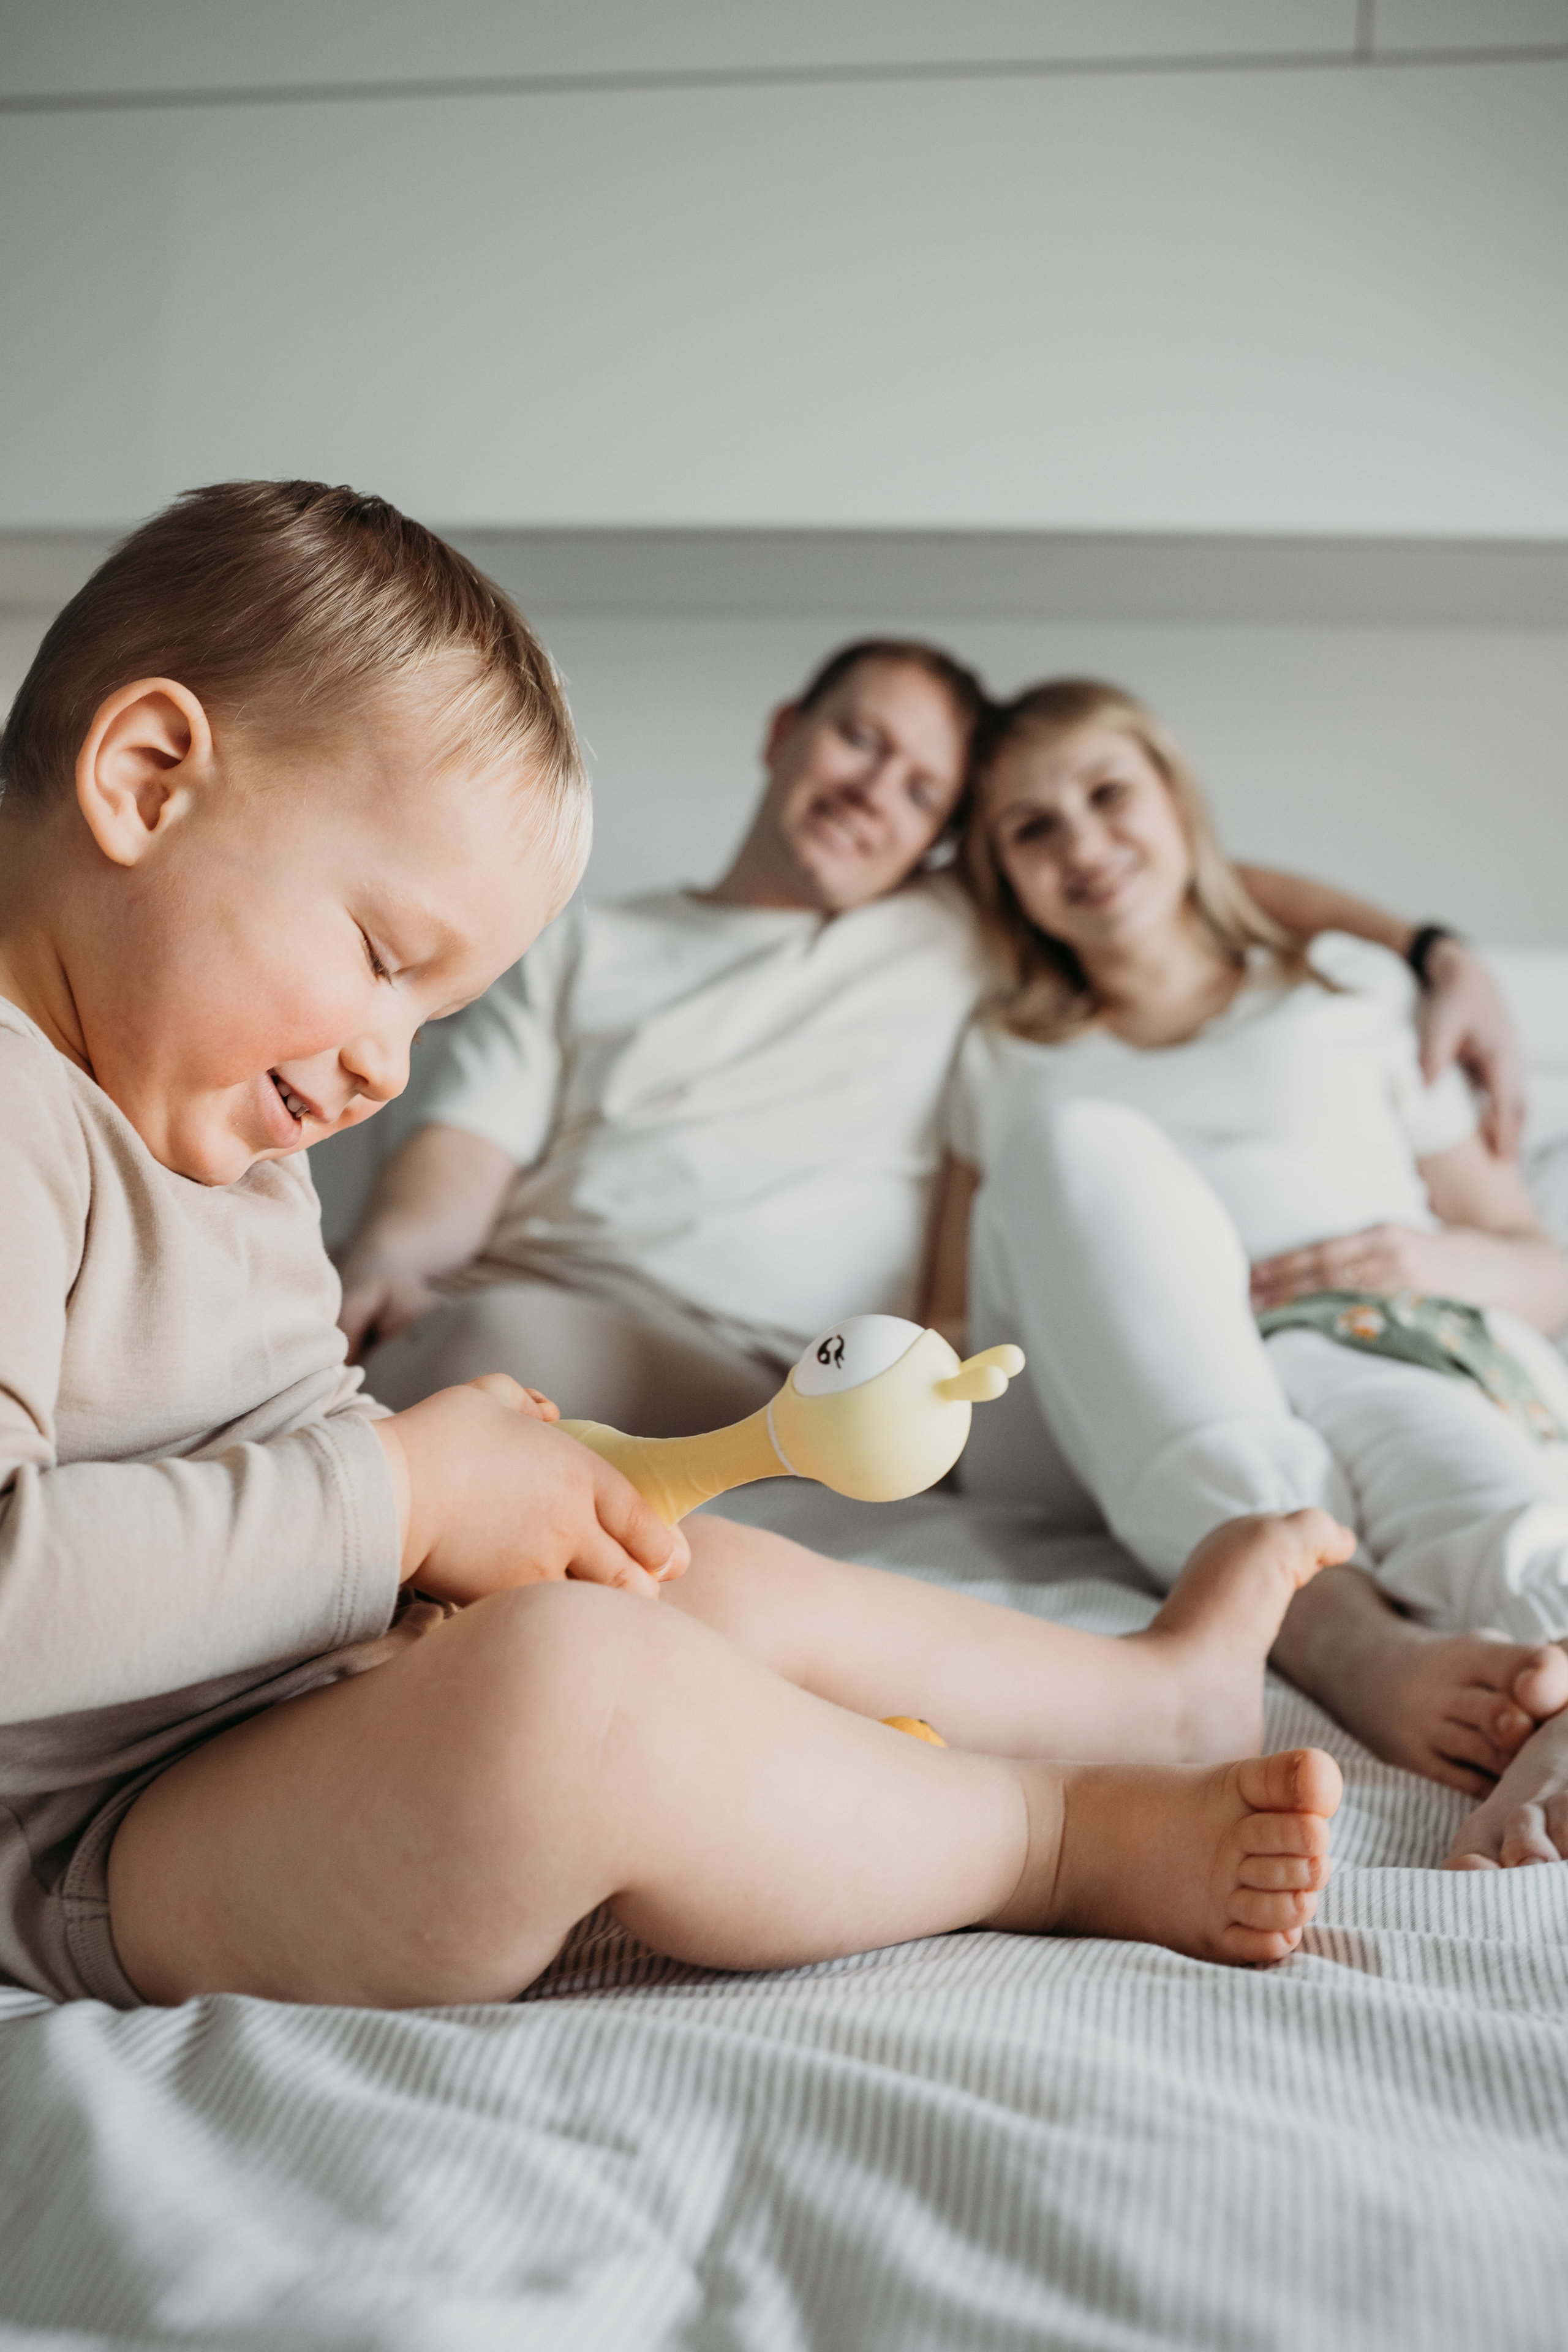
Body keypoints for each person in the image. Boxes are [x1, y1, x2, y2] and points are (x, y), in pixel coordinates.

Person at [0, 480, 1355, 2011]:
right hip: (105, 1835)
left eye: (429, 1014)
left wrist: (449, 1508)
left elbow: (272, 1436)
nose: (386, 1063)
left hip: (283, 1694)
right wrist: (405, 1492)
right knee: (574, 1698)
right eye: (382, 958)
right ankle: (1041, 1839)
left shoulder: (213, 1112)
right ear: (148, 780)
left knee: (679, 1566)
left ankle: (1152, 1698)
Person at [337, 644, 1528, 1436]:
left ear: (943, 843)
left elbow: (1180, 875)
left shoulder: (952, 926)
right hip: (553, 1300)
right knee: (438, 1334)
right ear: (785, 730)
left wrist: (1432, 950)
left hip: (790, 1368)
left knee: (486, 1365)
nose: (876, 792)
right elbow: (465, 1145)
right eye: (860, 740)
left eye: (920, 792)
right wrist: (391, 1257)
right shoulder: (584, 940)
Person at [924, 676, 1568, 1872]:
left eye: (1108, 793)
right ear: (1000, 875)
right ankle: (1336, 1636)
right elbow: (946, 1318)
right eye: (1030, 828)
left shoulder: (1347, 991)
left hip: (1369, 1327)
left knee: (1467, 1483)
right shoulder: (1002, 1053)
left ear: (1176, 800)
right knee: (1071, 1140)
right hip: (1103, 1391)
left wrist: (1431, 1261)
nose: (1082, 844)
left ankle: (1552, 1708)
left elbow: (1544, 1267)